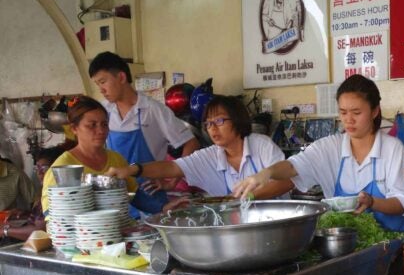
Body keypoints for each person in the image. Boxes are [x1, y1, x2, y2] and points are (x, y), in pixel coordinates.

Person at [233, 75, 404, 231]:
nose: (348, 119)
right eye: (343, 112)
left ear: (374, 111)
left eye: (356, 112)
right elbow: (293, 166)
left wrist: (372, 202)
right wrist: (266, 174)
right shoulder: (330, 147)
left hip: (390, 242)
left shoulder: (392, 149)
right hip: (346, 243)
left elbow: (402, 203)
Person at [105, 95, 293, 200]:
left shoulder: (261, 146)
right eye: (208, 124)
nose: (212, 128)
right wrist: (133, 169)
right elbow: (172, 167)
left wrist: (246, 197)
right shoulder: (211, 155)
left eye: (219, 121)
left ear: (237, 120)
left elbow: (287, 182)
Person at [88, 52, 200, 214]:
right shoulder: (104, 111)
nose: (102, 90)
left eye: (103, 82)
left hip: (151, 199)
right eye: (98, 84)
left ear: (121, 77)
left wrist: (173, 181)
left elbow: (191, 143)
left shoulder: (153, 109)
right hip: (116, 199)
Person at [41, 96, 138, 214]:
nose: (101, 131)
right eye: (92, 125)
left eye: (104, 124)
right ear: (74, 128)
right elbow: (51, 215)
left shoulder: (117, 159)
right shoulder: (62, 168)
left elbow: (135, 195)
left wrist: (162, 206)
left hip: (118, 230)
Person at [3, 145, 66, 242]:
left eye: (44, 168)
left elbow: (39, 231)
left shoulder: (56, 195)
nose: (40, 173)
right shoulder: (44, 193)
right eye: (37, 168)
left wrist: (5, 230)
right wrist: (25, 214)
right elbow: (40, 219)